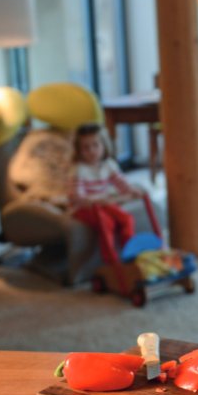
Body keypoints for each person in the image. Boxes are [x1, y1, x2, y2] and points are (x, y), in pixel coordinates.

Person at [68, 123, 145, 291]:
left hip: (104, 204)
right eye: (86, 148)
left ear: (104, 145)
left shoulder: (109, 165)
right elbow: (77, 196)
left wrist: (133, 190)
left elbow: (121, 183)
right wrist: (93, 201)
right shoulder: (79, 170)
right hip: (84, 209)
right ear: (79, 151)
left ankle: (129, 255)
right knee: (107, 223)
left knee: (126, 219)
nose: (91, 151)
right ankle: (111, 262)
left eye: (95, 145)